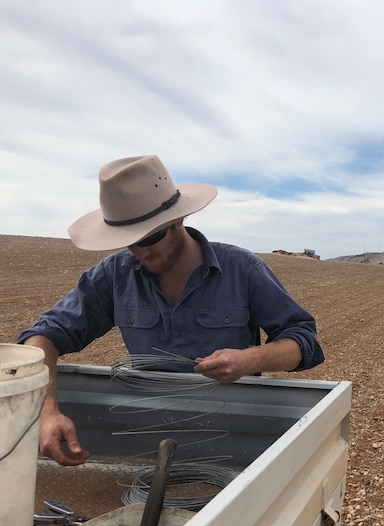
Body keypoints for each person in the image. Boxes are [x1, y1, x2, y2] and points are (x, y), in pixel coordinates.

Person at [17, 155, 325, 466]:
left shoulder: (241, 269)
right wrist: (47, 410)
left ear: (178, 219)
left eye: (150, 236)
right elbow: (43, 338)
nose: (140, 251)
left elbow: (303, 341)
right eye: (129, 241)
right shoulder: (114, 275)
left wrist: (250, 359)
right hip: (147, 438)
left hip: (231, 440)